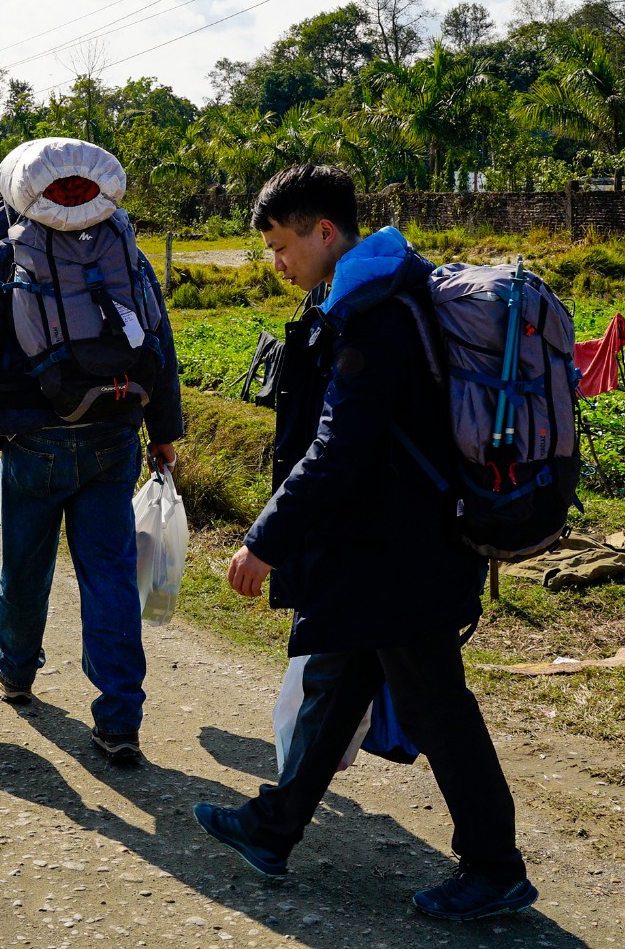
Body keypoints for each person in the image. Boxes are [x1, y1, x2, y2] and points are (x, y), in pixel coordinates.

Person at [192, 164, 535, 923]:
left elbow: (337, 446)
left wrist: (265, 540)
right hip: (390, 545)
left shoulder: (374, 314)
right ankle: (273, 827)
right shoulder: (387, 290)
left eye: (281, 245)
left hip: (404, 554)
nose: (277, 263)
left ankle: (495, 868)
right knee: (340, 679)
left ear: (323, 232)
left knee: (437, 706)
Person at [0, 137, 181, 764]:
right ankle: (120, 718)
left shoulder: (5, 257)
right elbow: (161, 344)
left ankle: (16, 673)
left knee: (26, 565)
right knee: (109, 576)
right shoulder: (124, 250)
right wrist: (163, 434)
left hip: (34, 440)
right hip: (114, 435)